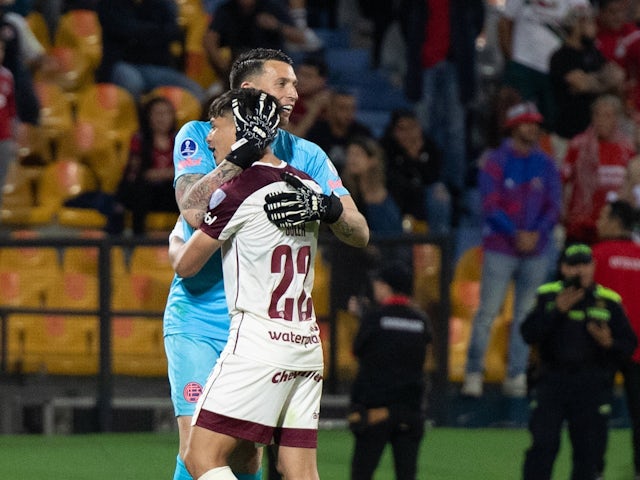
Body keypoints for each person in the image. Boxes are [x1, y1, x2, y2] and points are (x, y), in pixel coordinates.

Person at [166, 47, 369, 480]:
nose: (296, 92)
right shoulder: (202, 132)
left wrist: (328, 208)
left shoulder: (307, 156)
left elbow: (358, 229)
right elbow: (193, 209)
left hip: (258, 328)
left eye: (294, 83)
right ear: (248, 91)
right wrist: (240, 155)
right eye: (284, 83)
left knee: (240, 458)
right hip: (203, 320)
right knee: (197, 447)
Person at [170, 87, 324, 480]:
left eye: (217, 126)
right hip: (306, 343)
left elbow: (187, 265)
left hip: (258, 342)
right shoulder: (307, 186)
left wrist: (176, 245)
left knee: (199, 456)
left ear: (241, 130)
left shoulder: (237, 191)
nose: (208, 136)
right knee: (299, 471)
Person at [460, 101, 562, 398]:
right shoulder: (495, 160)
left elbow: (553, 206)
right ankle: (474, 372)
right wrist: (516, 233)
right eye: (528, 123)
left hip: (536, 249)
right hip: (501, 247)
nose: (533, 128)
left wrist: (536, 233)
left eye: (536, 123)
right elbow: (490, 205)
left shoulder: (545, 163)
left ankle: (516, 375)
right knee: (488, 312)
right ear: (514, 126)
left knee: (525, 316)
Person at [521, 243, 637, 480]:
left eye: (585, 264)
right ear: (563, 268)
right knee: (543, 445)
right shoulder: (548, 295)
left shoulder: (609, 300)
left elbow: (629, 345)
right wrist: (557, 311)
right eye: (573, 265)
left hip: (592, 384)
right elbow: (528, 333)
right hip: (552, 381)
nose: (580, 270)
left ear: (593, 267)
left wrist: (609, 344)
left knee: (589, 453)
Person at [347, 261, 432, 480]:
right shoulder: (421, 321)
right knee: (407, 474)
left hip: (376, 410)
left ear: (387, 287)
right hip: (409, 410)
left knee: (362, 473)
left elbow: (357, 351)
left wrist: (361, 317)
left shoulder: (374, 318)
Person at [593, 200, 640, 479]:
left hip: (602, 347)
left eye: (602, 216)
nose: (598, 222)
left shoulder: (596, 255)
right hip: (638, 348)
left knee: (597, 414)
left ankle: (594, 470)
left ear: (615, 222)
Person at [561, 94, 636, 245]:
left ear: (617, 119)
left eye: (607, 115)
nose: (601, 121)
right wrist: (562, 210)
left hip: (613, 230)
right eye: (597, 115)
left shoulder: (627, 150)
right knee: (574, 265)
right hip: (580, 229)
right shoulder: (578, 145)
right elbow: (562, 180)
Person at [95, 0, 205, 102]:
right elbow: (125, 29)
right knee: (133, 82)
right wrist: (154, 32)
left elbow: (173, 31)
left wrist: (142, 33)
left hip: (155, 67)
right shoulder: (111, 3)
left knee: (195, 91)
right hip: (121, 64)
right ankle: (136, 122)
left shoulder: (160, 3)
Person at [549, 2, 625, 144]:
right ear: (578, 25)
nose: (594, 27)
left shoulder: (594, 53)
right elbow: (581, 84)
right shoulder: (561, 56)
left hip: (593, 135)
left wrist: (592, 82)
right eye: (590, 22)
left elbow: (617, 76)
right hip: (568, 134)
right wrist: (602, 81)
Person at [107, 95, 179, 235]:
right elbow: (137, 172)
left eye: (166, 113)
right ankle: (137, 240)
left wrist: (159, 174)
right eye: (157, 113)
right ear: (148, 117)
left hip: (171, 193)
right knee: (138, 190)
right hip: (146, 192)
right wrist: (168, 173)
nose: (162, 118)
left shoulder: (180, 139)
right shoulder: (139, 139)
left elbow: (188, 170)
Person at [379, 108, 451, 235]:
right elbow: (390, 179)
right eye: (402, 129)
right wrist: (409, 159)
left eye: (412, 128)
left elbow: (434, 177)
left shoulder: (430, 147)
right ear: (394, 131)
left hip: (423, 196)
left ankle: (438, 242)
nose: (408, 134)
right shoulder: (384, 148)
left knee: (439, 194)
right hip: (396, 195)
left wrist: (416, 158)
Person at [203, 0, 307, 88]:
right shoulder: (226, 9)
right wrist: (223, 67)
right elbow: (210, 39)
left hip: (271, 67)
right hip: (237, 67)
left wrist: (277, 26)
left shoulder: (271, 7)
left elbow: (300, 37)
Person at [305, 88, 372, 173]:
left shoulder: (362, 133)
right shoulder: (316, 132)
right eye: (342, 108)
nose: (348, 113)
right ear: (330, 109)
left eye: (351, 108)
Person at [285, 54, 331, 139]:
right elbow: (292, 139)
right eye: (299, 74)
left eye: (308, 76)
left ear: (322, 80)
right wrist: (314, 110)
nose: (301, 80)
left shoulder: (332, 103)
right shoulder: (285, 102)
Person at [0, 37, 16, 210]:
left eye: (2, 50)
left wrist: (14, 137)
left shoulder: (7, 76)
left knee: (1, 182)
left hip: (4, 137)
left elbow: (12, 110)